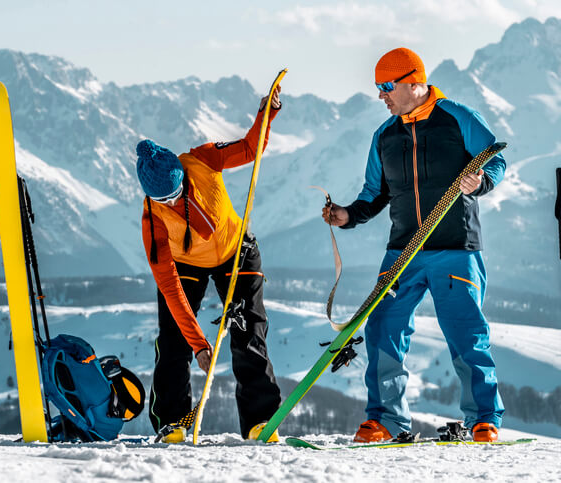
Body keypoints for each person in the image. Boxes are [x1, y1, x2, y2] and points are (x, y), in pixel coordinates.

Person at [322, 48, 506, 443]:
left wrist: (482, 182)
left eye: (386, 87)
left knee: (466, 333)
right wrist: (347, 216)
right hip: (403, 251)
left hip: (456, 247)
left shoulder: (458, 118)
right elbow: (375, 193)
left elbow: (494, 159)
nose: (381, 96)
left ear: (412, 81)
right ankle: (387, 420)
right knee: (383, 327)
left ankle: (483, 419)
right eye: (377, 88)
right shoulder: (386, 135)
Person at [136, 87, 283, 443]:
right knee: (174, 342)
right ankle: (173, 422)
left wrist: (267, 115)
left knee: (248, 332)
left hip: (236, 250)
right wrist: (200, 343)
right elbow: (170, 287)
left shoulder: (202, 159)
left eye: (176, 193)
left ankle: (260, 422)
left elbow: (250, 149)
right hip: (186, 263)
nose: (171, 203)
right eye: (162, 199)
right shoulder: (152, 221)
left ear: (181, 176)